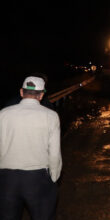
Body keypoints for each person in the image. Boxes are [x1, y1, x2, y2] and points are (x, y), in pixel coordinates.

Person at [0, 76, 62, 219]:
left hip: (6, 179)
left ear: (21, 92)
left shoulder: (3, 114)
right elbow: (54, 154)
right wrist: (53, 177)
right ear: (41, 95)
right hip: (37, 179)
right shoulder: (51, 116)